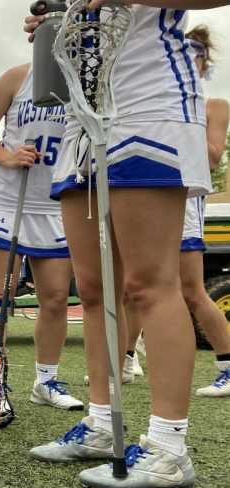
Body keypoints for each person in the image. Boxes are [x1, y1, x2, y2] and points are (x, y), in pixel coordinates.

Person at [25, 1, 230, 488]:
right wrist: (57, 27)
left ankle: (168, 447)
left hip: (149, 101)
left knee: (150, 285)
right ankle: (101, 424)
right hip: (81, 115)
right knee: (93, 290)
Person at [0, 62, 83, 412]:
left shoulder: (86, 79)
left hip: (55, 203)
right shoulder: (17, 78)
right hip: (8, 199)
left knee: (54, 297)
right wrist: (7, 156)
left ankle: (45, 382)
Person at [123, 25, 230, 397]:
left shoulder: (212, 105)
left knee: (191, 291)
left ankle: (228, 365)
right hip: (149, 193)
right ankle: (125, 360)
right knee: (133, 287)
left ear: (203, 64)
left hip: (184, 201)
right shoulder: (157, 98)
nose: (188, 59)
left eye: (195, 55)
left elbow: (213, 158)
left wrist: (181, 122)